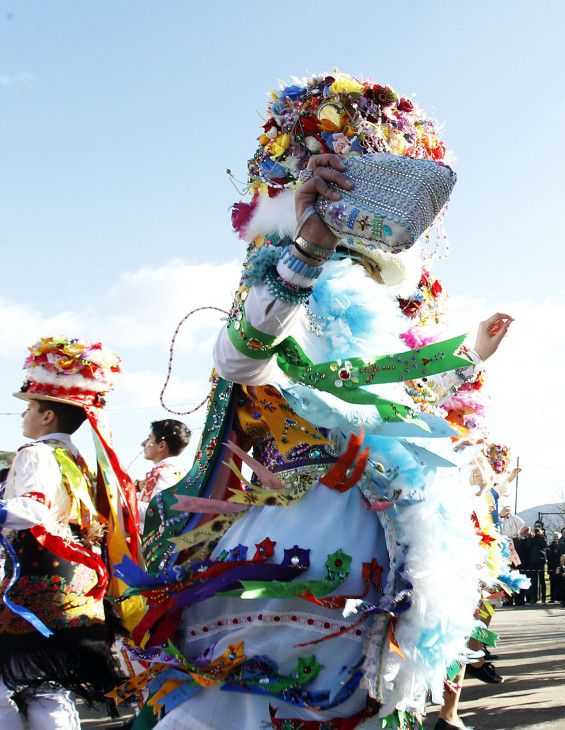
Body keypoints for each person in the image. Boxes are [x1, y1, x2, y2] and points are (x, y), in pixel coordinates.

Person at [123, 71, 513, 728]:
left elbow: (393, 395)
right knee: (248, 700)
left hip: (375, 547)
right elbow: (240, 358)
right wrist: (307, 251)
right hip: (290, 539)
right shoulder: (283, 277)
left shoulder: (373, 310)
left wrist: (469, 352)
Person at [0, 338, 132, 730]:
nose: (23, 414)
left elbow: (34, 510)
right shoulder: (75, 457)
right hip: (75, 587)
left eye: (30, 407)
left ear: (46, 418)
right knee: (46, 685)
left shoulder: (36, 453)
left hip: (37, 586)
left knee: (12, 683)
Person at [135, 418, 191, 524]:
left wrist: (122, 503)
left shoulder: (161, 473)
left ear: (161, 445)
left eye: (149, 438)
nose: (143, 444)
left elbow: (156, 512)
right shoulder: (180, 472)